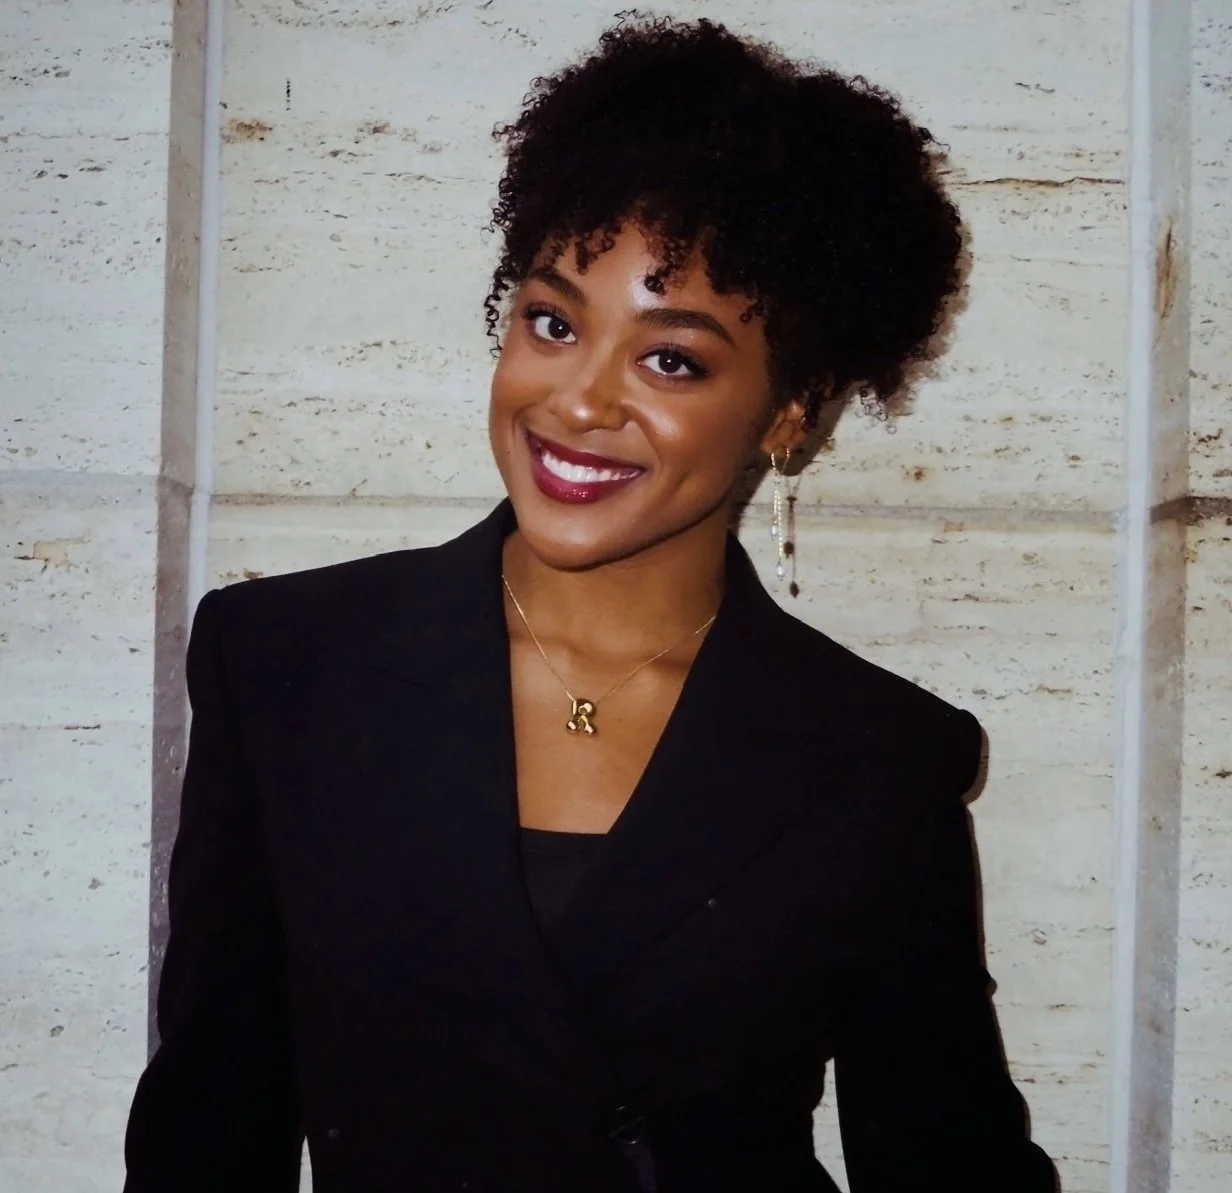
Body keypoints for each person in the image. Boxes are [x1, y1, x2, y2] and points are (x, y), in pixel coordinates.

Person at [124, 15, 1056, 1193]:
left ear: (790, 409)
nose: (578, 401)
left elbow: (944, 1161)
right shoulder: (287, 666)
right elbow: (210, 1121)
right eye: (552, 321)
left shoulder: (877, 757)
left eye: (672, 358)